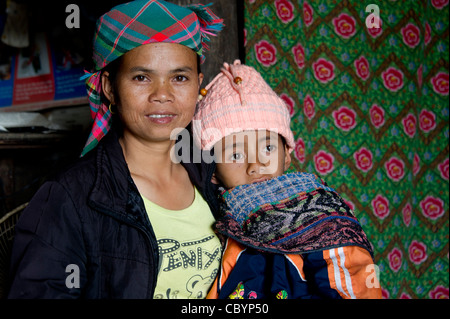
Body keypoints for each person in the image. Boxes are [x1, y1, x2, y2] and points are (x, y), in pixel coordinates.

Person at [8, 0, 223, 299]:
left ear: (199, 84)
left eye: (179, 77)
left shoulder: (216, 176)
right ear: (109, 87)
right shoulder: (70, 196)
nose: (162, 94)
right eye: (141, 77)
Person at [193, 60, 382, 299]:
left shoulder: (320, 214)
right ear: (213, 172)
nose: (256, 165)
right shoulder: (219, 219)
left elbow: (356, 284)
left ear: (287, 156)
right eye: (236, 154)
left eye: (268, 148)